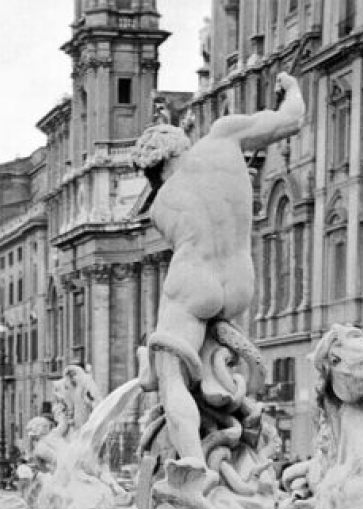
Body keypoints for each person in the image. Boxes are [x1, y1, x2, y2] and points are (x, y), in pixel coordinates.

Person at [132, 72, 305, 479]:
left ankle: (194, 466)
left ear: (157, 163)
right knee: (220, 370)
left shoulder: (160, 205)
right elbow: (291, 119)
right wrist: (291, 88)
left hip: (194, 280)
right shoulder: (225, 138)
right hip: (239, 281)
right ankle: (239, 458)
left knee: (172, 377)